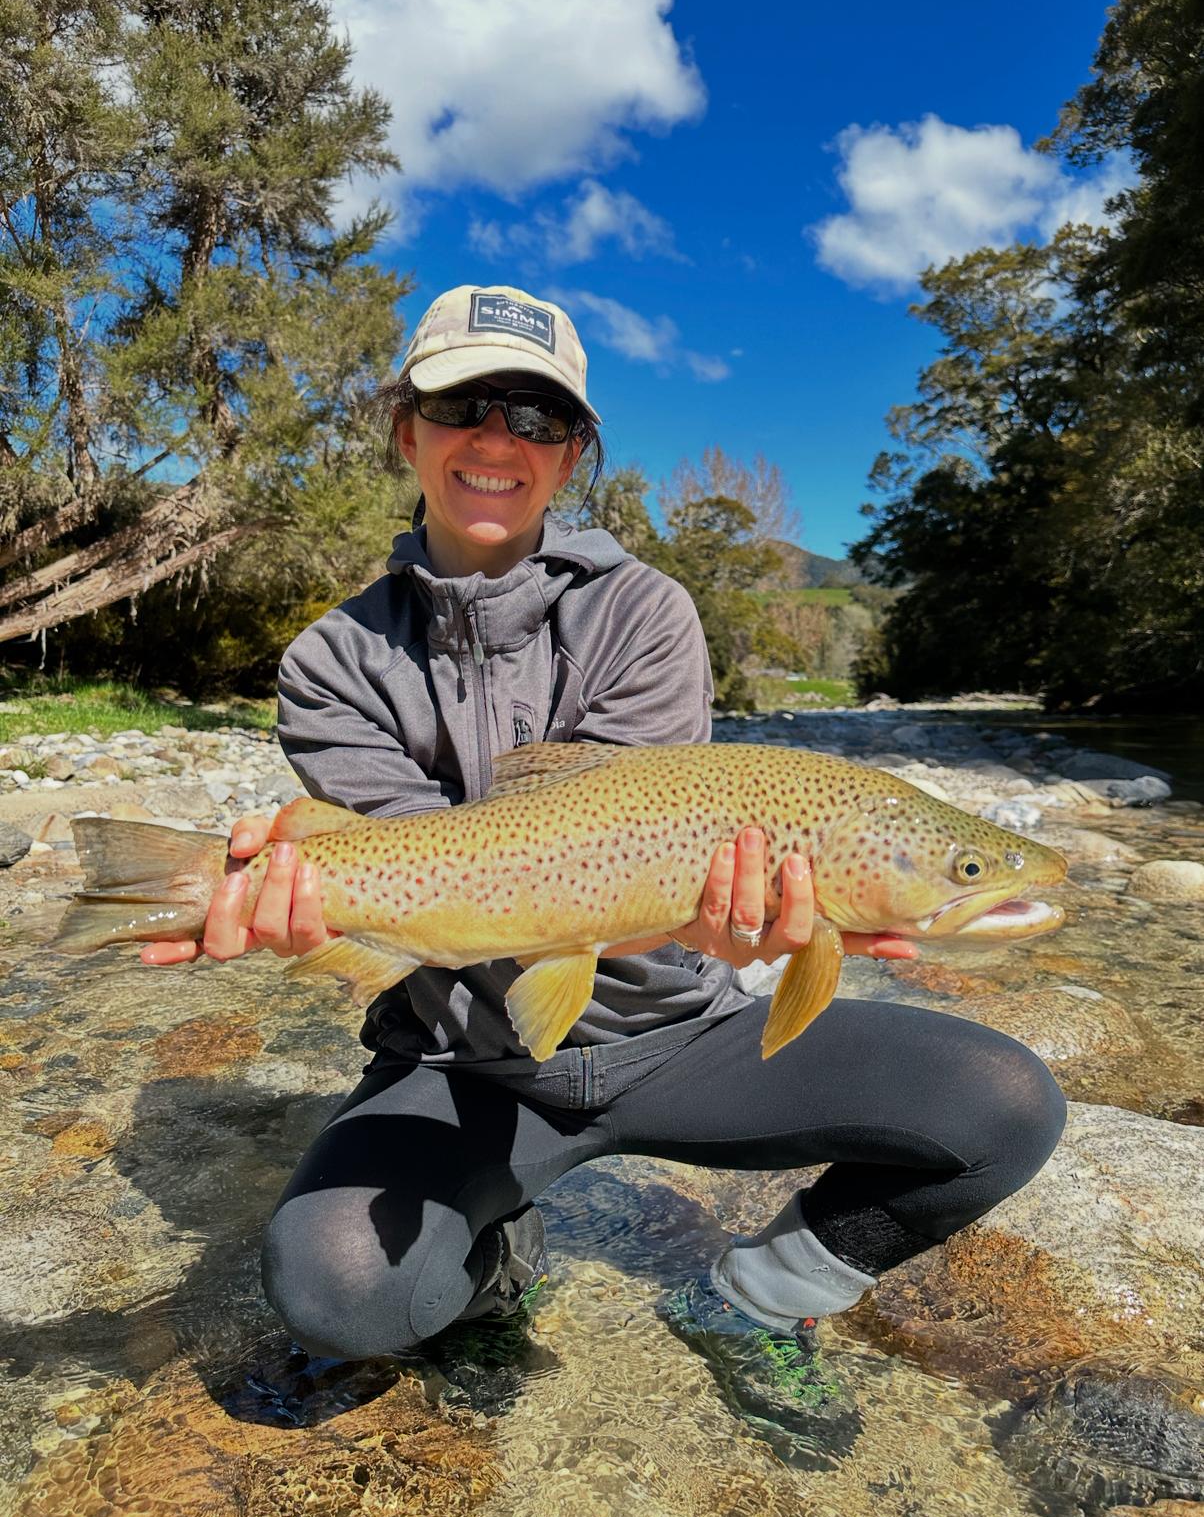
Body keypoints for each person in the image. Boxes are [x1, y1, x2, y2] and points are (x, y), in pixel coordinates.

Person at [143, 284, 1066, 1452]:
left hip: (686, 1042)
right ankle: (498, 1260)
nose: (497, 439)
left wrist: (719, 929)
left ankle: (748, 1301)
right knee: (335, 1290)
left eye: (536, 417)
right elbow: (417, 882)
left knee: (1006, 1104)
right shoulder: (335, 660)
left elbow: (626, 848)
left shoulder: (645, 613)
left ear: (574, 452)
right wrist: (290, 904)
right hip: (467, 1057)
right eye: (464, 404)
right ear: (405, 429)